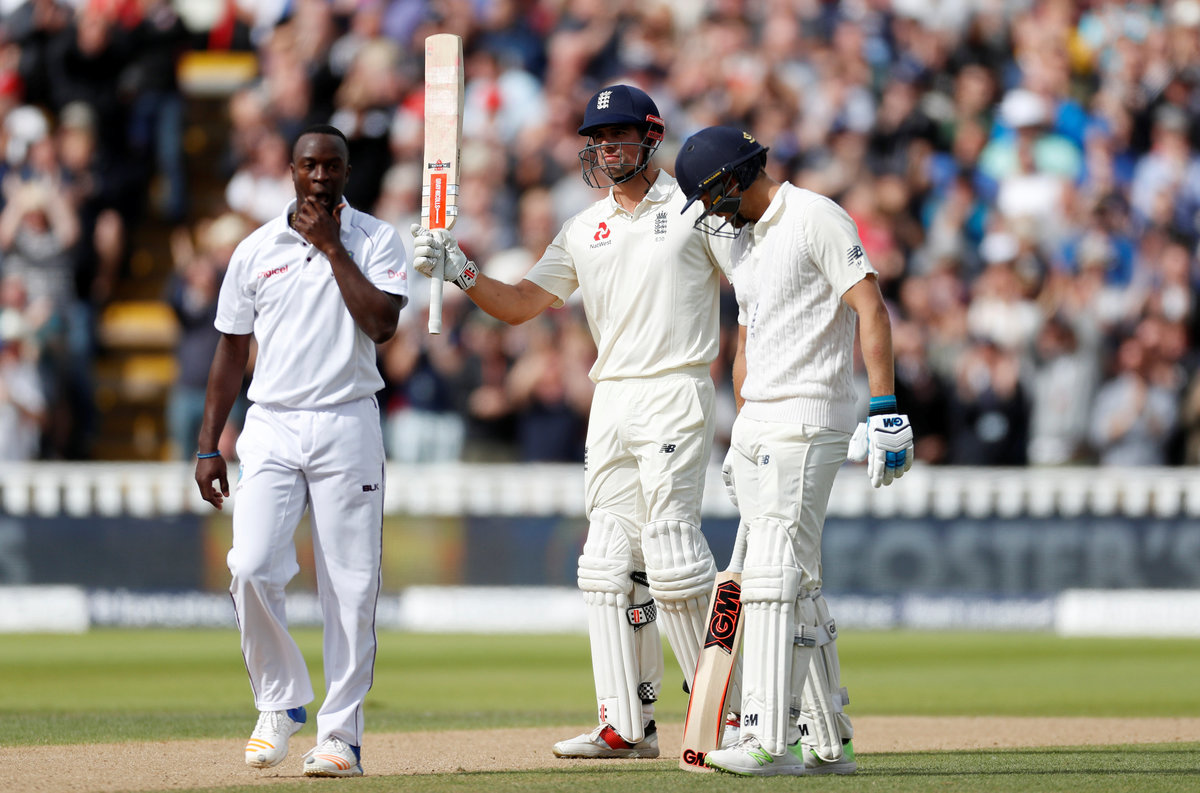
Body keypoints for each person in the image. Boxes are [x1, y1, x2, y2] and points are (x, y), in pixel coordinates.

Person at [413, 85, 734, 758]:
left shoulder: (694, 208)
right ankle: (626, 725)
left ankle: (726, 717)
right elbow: (521, 303)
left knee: (672, 554)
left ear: (652, 137)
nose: (606, 149)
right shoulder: (583, 228)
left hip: (675, 386)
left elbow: (752, 286)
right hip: (610, 397)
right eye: (597, 138)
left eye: (619, 135)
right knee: (606, 563)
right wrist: (460, 269)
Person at [673, 126, 913, 776]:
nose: (710, 210)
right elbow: (747, 339)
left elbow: (871, 307)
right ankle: (830, 743)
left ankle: (767, 740)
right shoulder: (741, 240)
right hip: (760, 424)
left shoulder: (814, 216)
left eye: (711, 195)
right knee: (796, 583)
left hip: (809, 418)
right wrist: (742, 425)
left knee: (773, 578)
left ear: (734, 178)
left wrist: (885, 406)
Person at [194, 125, 407, 778]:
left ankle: (340, 738)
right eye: (309, 165)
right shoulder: (256, 249)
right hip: (272, 422)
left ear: (346, 171)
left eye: (331, 166)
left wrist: (332, 246)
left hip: (348, 420)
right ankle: (280, 699)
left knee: (351, 588)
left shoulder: (376, 239)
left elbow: (382, 324)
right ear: (291, 171)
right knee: (250, 564)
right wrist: (207, 444)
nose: (320, 176)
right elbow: (232, 347)